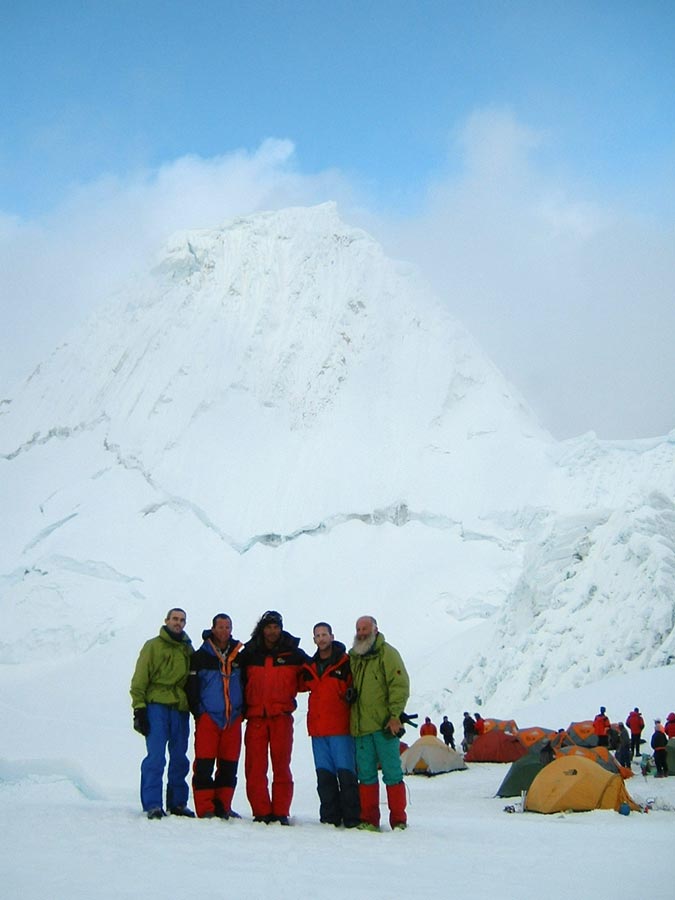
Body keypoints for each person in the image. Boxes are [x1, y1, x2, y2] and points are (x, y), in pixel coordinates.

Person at [237, 610, 309, 824]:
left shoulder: (293, 653)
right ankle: (261, 811)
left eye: (276, 627)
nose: (272, 631)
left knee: (281, 766)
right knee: (255, 767)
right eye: (268, 627)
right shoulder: (249, 653)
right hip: (256, 717)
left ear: (281, 628)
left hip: (281, 716)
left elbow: (313, 676)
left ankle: (280, 811)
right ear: (262, 628)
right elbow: (235, 681)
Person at [130, 608, 194, 819]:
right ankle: (153, 803)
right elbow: (140, 678)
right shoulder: (153, 646)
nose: (178, 623)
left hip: (179, 707)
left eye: (182, 620)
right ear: (166, 620)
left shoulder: (187, 648)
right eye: (174, 619)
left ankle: (177, 802)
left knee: (179, 757)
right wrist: (139, 708)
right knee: (156, 757)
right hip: (156, 704)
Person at [349, 615, 410, 831]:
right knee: (365, 776)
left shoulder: (387, 654)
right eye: (359, 628)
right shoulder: (354, 656)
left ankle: (399, 820)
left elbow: (399, 685)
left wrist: (395, 715)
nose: (362, 632)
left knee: (392, 773)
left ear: (376, 629)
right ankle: (369, 820)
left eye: (365, 628)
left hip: (385, 727)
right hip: (361, 728)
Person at [299, 622, 360, 828]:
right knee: (324, 777)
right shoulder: (310, 667)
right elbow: (296, 684)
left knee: (346, 774)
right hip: (318, 732)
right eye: (318, 635)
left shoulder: (346, 662)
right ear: (314, 640)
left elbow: (358, 684)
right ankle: (330, 817)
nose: (322, 638)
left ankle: (352, 817)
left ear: (332, 637)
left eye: (325, 634)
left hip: (341, 729)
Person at [186, 613, 244, 818]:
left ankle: (223, 806)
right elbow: (192, 687)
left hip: (233, 717)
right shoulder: (200, 657)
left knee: (229, 764)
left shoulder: (239, 655)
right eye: (220, 627)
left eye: (228, 627)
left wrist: (241, 710)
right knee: (204, 763)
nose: (224, 631)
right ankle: (205, 808)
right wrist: (199, 712)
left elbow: (246, 684)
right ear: (213, 629)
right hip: (209, 717)